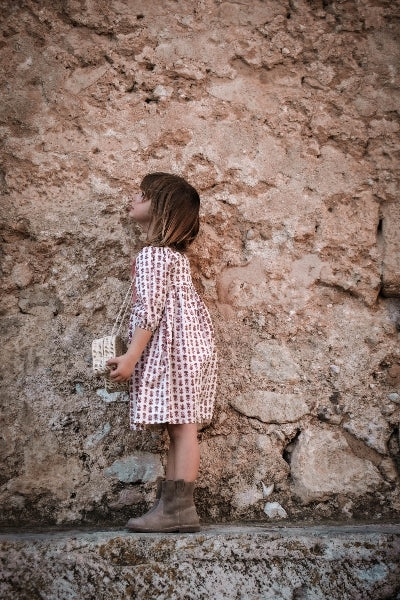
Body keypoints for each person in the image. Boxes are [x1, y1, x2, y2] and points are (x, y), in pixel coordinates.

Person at [107, 172, 217, 533]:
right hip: (188, 346)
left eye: (143, 195)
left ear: (161, 208)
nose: (134, 198)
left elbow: (149, 310)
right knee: (182, 427)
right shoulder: (173, 257)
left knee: (182, 428)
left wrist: (131, 357)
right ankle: (175, 509)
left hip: (176, 349)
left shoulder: (153, 255)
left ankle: (178, 510)